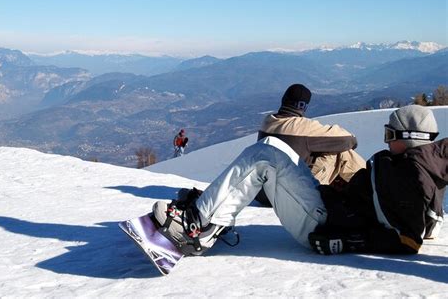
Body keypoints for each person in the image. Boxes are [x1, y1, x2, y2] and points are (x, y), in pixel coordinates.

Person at [152, 105, 446, 256]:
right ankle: (212, 212)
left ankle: (196, 228)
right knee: (273, 148)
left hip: (325, 223)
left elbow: (408, 241)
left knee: (264, 156)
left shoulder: (409, 172)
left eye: (389, 135)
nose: (385, 140)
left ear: (409, 139)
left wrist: (346, 242)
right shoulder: (418, 163)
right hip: (332, 206)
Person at [255, 84, 366, 206]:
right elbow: (349, 140)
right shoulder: (302, 127)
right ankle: (370, 187)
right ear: (303, 106)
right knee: (340, 153)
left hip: (264, 194)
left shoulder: (267, 121)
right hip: (290, 195)